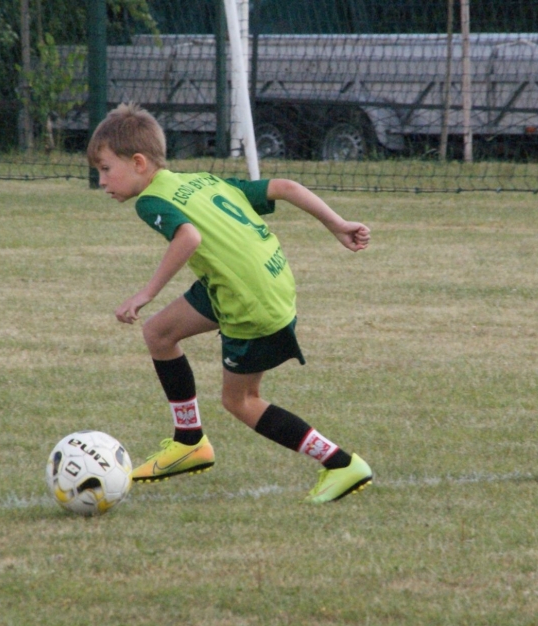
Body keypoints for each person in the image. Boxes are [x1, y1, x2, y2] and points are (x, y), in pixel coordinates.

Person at [87, 103, 373, 503]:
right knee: (159, 333)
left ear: (138, 162)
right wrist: (337, 224)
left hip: (248, 299)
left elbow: (188, 237)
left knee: (240, 400)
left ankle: (341, 463)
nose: (101, 181)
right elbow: (285, 187)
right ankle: (189, 442)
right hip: (261, 278)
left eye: (104, 169)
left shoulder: (149, 200)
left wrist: (146, 293)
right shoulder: (202, 180)